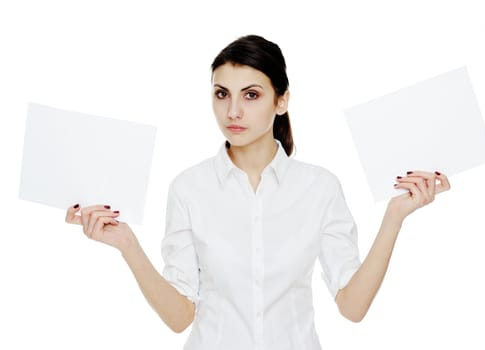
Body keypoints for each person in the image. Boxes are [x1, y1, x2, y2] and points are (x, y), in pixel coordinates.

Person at [65, 34, 451, 350]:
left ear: (281, 100)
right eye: (221, 94)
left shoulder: (319, 187)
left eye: (251, 95)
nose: (233, 111)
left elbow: (352, 306)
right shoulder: (188, 188)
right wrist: (128, 246)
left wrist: (394, 217)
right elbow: (180, 317)